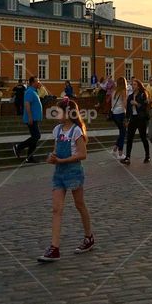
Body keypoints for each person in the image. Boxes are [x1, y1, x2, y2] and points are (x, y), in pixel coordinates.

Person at [37, 98, 95, 262]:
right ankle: (54, 247)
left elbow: (83, 154)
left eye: (59, 111)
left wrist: (62, 160)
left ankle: (88, 236)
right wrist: (52, 156)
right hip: (59, 173)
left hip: (73, 171)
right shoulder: (57, 130)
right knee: (56, 209)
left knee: (79, 204)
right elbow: (56, 150)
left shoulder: (76, 131)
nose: (56, 114)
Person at [12, 77, 43, 164]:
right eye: (38, 81)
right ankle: (18, 147)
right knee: (37, 136)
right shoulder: (29, 91)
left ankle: (30, 157)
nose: (39, 82)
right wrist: (30, 117)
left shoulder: (34, 91)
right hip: (31, 118)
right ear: (33, 82)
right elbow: (27, 104)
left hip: (34, 118)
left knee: (35, 137)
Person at [121, 78, 151, 164]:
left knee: (143, 137)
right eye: (132, 84)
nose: (132, 86)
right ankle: (127, 157)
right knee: (129, 138)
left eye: (134, 85)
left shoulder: (143, 94)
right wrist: (126, 119)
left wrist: (137, 104)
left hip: (141, 118)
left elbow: (145, 107)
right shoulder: (130, 96)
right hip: (133, 118)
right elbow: (128, 109)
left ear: (138, 86)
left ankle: (147, 156)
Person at [109, 76, 128, 159]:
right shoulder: (123, 91)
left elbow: (111, 103)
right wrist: (127, 113)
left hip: (114, 113)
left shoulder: (114, 91)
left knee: (122, 132)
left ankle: (114, 149)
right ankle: (120, 153)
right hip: (121, 113)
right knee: (123, 133)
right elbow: (124, 103)